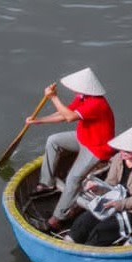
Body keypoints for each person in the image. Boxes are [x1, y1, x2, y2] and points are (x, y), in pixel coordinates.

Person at [27, 68, 116, 231]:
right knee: (53, 141)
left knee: (73, 179)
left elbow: (69, 117)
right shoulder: (82, 98)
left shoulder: (97, 104)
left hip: (97, 148)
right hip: (84, 138)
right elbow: (64, 113)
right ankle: (46, 183)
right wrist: (39, 121)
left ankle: (57, 218)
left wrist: (53, 97)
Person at [68, 126, 132, 245]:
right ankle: (71, 243)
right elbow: (110, 184)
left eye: (127, 151)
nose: (123, 153)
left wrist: (118, 205)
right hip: (112, 201)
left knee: (102, 230)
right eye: (121, 150)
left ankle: (91, 251)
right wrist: (97, 188)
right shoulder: (118, 159)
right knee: (84, 221)